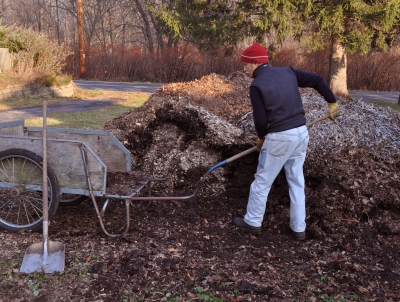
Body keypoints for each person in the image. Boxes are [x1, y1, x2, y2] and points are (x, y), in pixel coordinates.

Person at [232, 42, 339, 240]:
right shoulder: (288, 73)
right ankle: (298, 229)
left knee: (262, 182)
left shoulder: (257, 85)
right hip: (301, 133)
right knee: (296, 182)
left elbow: (261, 120)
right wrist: (332, 101)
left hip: (280, 138)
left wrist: (262, 138)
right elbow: (317, 80)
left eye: (246, 64)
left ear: (255, 64)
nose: (244, 69)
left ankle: (252, 222)